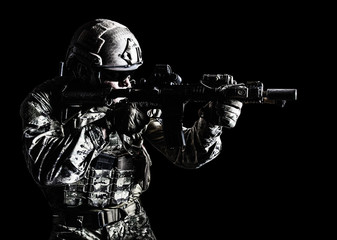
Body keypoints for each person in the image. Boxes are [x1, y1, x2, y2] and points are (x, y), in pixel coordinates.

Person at [20, 18, 242, 240]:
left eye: (130, 73)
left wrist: (211, 122)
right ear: (82, 69)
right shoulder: (46, 101)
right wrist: (107, 125)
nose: (127, 82)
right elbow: (48, 172)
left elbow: (186, 155)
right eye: (114, 75)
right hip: (75, 230)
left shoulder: (132, 101)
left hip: (132, 224)